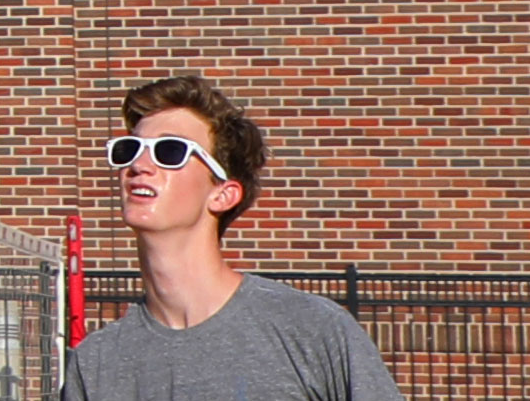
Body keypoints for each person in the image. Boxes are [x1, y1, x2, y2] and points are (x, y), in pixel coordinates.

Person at [60, 75, 400, 401]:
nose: (139, 166)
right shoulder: (97, 364)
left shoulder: (311, 330)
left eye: (170, 151)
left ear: (223, 194)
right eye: (130, 149)